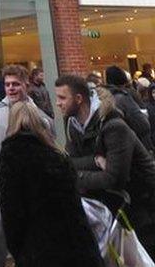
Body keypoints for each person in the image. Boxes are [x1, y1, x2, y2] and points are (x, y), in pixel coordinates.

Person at [56, 74, 155, 258]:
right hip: (114, 210)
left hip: (142, 207)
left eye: (62, 97)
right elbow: (67, 163)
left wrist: (76, 176)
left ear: (79, 99)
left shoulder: (114, 126)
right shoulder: (74, 126)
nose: (57, 103)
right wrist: (94, 161)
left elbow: (113, 179)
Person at [0, 65, 52, 267]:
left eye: (15, 84)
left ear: (26, 85)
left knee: (30, 240)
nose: (11, 88)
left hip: (29, 188)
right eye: (7, 84)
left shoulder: (38, 116)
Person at [0, 101, 103, 266]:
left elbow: (11, 210)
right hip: (76, 245)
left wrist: (18, 251)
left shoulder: (11, 155)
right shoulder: (56, 153)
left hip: (39, 248)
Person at [104, 65, 154, 152]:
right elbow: (143, 124)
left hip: (117, 147)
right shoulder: (124, 97)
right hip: (135, 144)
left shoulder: (105, 98)